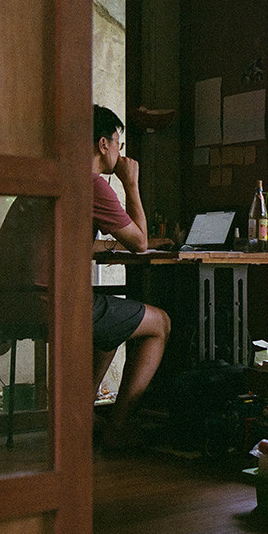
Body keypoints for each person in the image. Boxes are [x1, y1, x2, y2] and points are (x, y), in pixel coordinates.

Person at [90, 104, 171, 450]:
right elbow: (139, 243)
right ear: (103, 144)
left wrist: (111, 242)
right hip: (54, 302)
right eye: (118, 144)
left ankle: (80, 415)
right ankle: (117, 427)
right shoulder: (94, 184)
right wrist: (131, 183)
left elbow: (78, 242)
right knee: (160, 323)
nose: (120, 153)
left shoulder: (62, 178)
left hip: (16, 300)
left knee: (115, 323)